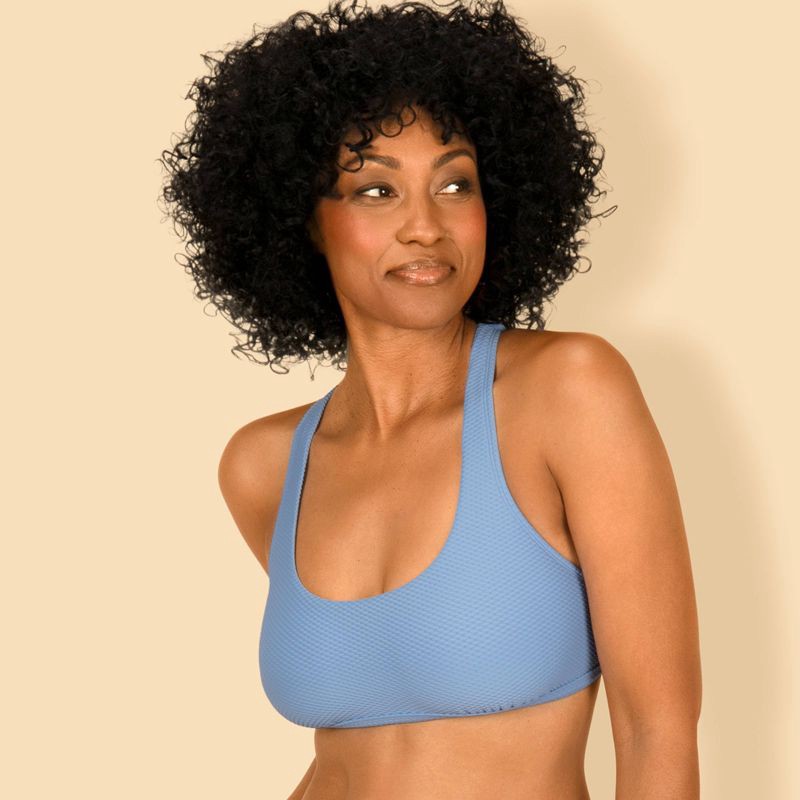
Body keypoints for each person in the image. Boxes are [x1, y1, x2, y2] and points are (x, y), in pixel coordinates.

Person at [158, 0, 702, 797]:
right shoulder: (265, 465)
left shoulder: (568, 392)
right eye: (377, 191)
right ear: (302, 221)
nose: (425, 226)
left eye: (454, 183)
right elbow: (350, 753)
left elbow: (658, 736)